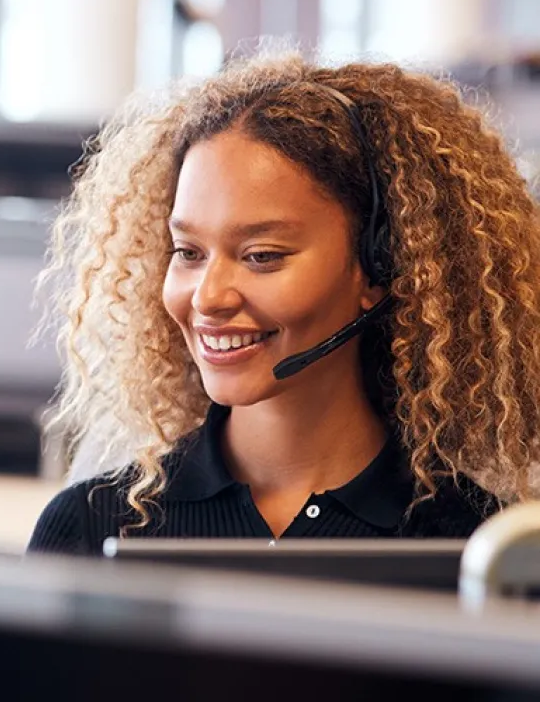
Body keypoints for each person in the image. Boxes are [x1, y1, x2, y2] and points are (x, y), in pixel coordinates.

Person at [28, 50, 540, 556]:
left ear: (380, 267)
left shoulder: (478, 546)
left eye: (261, 256)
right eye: (188, 252)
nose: (208, 297)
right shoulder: (95, 525)